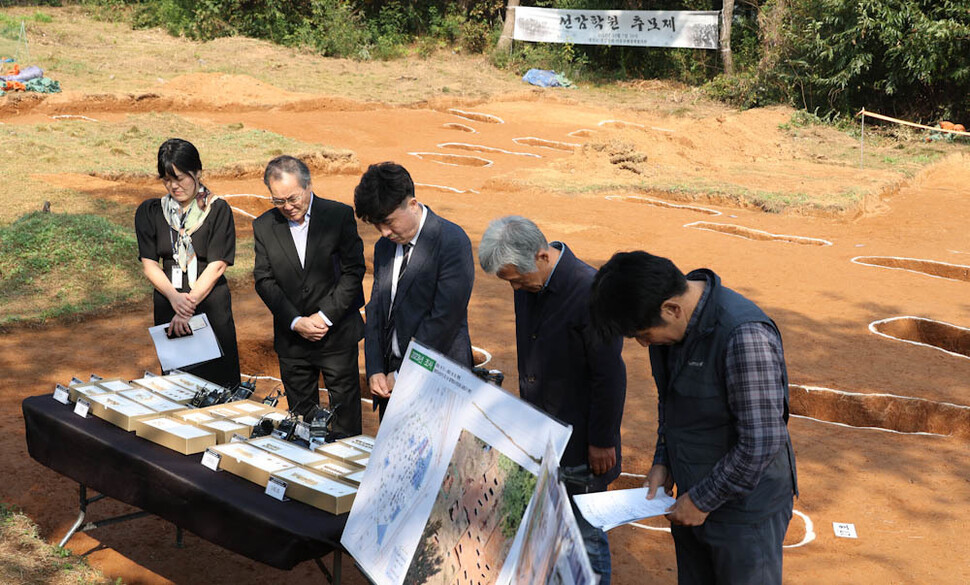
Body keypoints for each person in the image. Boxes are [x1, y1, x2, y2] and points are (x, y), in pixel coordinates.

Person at [588, 251, 798, 585]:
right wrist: (663, 460)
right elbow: (671, 402)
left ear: (672, 309)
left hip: (742, 514)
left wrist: (702, 500)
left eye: (643, 334)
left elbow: (761, 443)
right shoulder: (670, 326)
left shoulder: (744, 336)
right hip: (691, 498)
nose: (643, 344)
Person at [478, 216, 626, 585]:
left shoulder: (591, 292)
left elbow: (610, 375)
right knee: (546, 529)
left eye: (515, 277)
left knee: (585, 538)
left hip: (581, 444)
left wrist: (602, 439)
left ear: (541, 256)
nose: (513, 286)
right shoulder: (529, 285)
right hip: (542, 436)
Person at [253, 155, 366, 436]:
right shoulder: (264, 226)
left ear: (308, 186)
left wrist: (324, 316)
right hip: (293, 342)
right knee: (302, 422)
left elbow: (354, 271)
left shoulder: (338, 216)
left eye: (292, 198)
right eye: (278, 201)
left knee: (345, 421)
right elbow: (264, 280)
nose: (287, 207)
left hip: (337, 335)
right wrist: (295, 321)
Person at [354, 162, 474, 419]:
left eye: (388, 222)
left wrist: (404, 374)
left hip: (436, 380)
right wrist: (375, 368)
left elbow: (443, 320)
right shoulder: (384, 247)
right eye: (377, 225)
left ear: (412, 204)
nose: (384, 232)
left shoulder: (451, 241)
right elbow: (376, 309)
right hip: (390, 383)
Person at [135, 138, 240, 388]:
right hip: (168, 301)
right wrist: (174, 299)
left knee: (217, 383)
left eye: (180, 178)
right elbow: (150, 264)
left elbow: (218, 265)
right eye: (167, 179)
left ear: (197, 172)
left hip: (209, 304)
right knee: (177, 384)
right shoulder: (150, 212)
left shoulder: (218, 210)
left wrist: (187, 305)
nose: (174, 186)